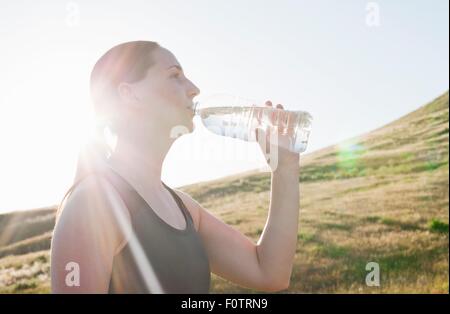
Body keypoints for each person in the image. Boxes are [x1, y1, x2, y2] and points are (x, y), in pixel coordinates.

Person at [50, 41, 300, 293]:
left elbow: (269, 273)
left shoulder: (185, 209)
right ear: (129, 94)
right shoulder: (93, 207)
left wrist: (285, 167)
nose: (194, 89)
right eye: (174, 75)